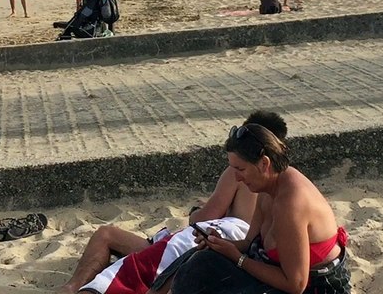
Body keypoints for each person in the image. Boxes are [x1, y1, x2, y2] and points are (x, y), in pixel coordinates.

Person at [61, 112, 288, 294]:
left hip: (212, 240)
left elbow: (206, 218)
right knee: (108, 236)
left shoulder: (238, 171)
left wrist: (196, 210)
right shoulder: (278, 182)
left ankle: (74, 287)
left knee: (117, 246)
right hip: (230, 246)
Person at [169, 119, 350, 294]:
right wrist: (220, 244)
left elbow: (296, 284)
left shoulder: (290, 204)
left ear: (264, 163)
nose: (237, 178)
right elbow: (249, 243)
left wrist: (237, 258)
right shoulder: (268, 187)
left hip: (315, 287)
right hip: (275, 273)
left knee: (203, 274)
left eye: (240, 170)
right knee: (200, 262)